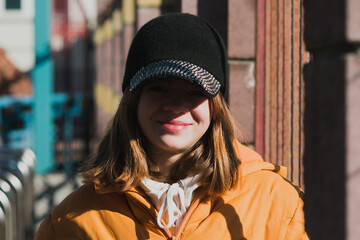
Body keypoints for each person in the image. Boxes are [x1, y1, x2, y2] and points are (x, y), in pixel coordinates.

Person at [35, 13, 308, 239]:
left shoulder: (277, 202)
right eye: (159, 88)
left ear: (216, 107)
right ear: (133, 100)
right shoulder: (70, 220)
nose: (176, 105)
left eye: (194, 92)